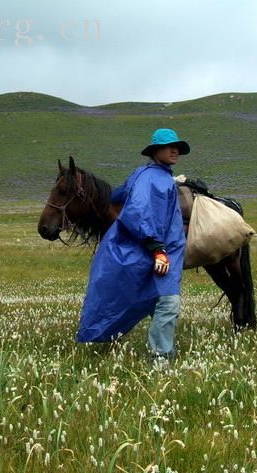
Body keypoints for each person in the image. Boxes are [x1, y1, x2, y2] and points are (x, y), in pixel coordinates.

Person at [76, 128, 188, 361]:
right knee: (168, 302)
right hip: (158, 250)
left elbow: (117, 196)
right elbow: (138, 210)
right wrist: (157, 249)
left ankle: (161, 353)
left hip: (166, 250)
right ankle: (160, 359)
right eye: (169, 146)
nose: (175, 150)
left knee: (162, 300)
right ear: (156, 151)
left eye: (177, 146)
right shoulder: (151, 178)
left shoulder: (147, 175)